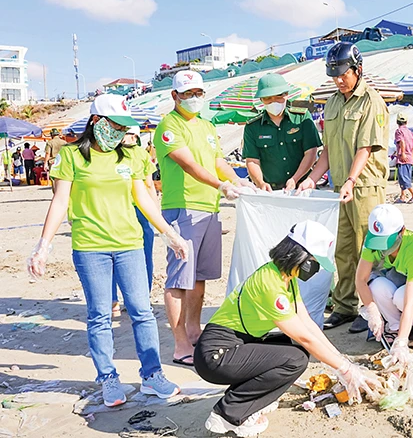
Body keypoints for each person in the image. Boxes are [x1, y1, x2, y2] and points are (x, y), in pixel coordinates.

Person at [27, 94, 188, 408]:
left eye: (124, 127)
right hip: (90, 248)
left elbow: (144, 198)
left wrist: (169, 234)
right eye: (115, 125)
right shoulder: (72, 156)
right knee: (99, 316)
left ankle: (152, 376)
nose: (119, 132)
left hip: (129, 244)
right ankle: (108, 379)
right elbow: (60, 202)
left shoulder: (133, 155)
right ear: (96, 122)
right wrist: (43, 247)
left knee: (142, 312)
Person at [195, 221, 380, 437]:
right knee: (295, 359)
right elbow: (305, 338)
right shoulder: (270, 284)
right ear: (300, 256)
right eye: (314, 261)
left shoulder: (285, 278)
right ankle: (229, 414)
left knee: (289, 347)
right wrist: (345, 370)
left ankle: (251, 402)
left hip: (237, 344)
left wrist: (343, 361)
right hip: (216, 354)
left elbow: (308, 325)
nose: (315, 268)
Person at [154, 70, 255, 367]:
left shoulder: (207, 126)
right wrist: (221, 186)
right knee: (178, 278)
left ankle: (195, 329)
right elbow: (189, 165)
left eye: (198, 93)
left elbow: (217, 162)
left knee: (199, 277)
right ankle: (180, 343)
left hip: (208, 209)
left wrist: (239, 181)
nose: (194, 99)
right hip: (182, 208)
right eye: (188, 94)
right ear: (175, 96)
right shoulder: (168, 127)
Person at [298, 42, 390, 334]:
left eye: (343, 74)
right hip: (342, 186)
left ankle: (372, 307)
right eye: (334, 75)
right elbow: (328, 150)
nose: (338, 79)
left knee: (369, 247)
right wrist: (313, 177)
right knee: (344, 249)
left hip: (366, 185)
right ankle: (345, 305)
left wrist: (351, 180)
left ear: (357, 69)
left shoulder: (371, 101)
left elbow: (365, 147)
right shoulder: (333, 103)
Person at [357, 205, 413, 365]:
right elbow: (361, 280)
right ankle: (394, 326)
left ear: (401, 231)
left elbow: (410, 301)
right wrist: (372, 311)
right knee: (376, 286)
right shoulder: (371, 241)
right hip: (396, 280)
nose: (382, 247)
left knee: (401, 296)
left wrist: (402, 342)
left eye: (386, 241)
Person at [243, 73, 322, 191]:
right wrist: (260, 183)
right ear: (261, 100)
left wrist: (295, 179)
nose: (273, 101)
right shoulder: (252, 127)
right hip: (271, 191)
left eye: (278, 96)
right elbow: (252, 161)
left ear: (286, 95)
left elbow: (311, 152)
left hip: (302, 187)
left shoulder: (301, 118)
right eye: (267, 98)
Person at [111, 126, 158, 318]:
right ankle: (141, 298)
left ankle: (114, 300)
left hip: (121, 208)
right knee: (143, 254)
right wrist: (155, 212)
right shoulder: (140, 154)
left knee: (113, 254)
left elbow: (149, 185)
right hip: (136, 208)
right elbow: (149, 186)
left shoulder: (109, 153)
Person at [394, 113, 413, 203]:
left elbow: (402, 142)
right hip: (409, 157)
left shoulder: (399, 131)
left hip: (403, 157)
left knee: (403, 177)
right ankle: (402, 196)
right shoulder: (410, 132)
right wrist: (410, 155)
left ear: (397, 121)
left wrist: (403, 153)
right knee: (404, 177)